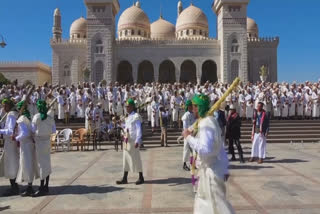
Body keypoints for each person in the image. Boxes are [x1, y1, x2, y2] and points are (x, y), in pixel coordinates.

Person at [182, 94, 235, 214]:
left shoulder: (206, 123)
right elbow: (220, 147)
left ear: (198, 108)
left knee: (216, 207)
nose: (193, 109)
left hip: (210, 173)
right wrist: (224, 168)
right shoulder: (211, 121)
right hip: (211, 170)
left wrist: (189, 137)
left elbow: (205, 149)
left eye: (194, 106)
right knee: (208, 205)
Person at [116, 98, 144, 185]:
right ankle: (124, 178)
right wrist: (120, 124)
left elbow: (139, 129)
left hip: (133, 141)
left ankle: (141, 177)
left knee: (136, 159)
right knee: (126, 159)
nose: (126, 108)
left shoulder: (136, 116)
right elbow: (126, 127)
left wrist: (137, 140)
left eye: (128, 107)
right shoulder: (127, 117)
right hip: (127, 140)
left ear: (132, 107)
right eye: (126, 107)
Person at [32, 100, 56, 197]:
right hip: (47, 141)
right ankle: (46, 186)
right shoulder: (50, 118)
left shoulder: (36, 117)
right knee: (47, 163)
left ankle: (42, 188)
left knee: (41, 164)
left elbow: (33, 130)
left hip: (39, 142)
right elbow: (54, 130)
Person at [15, 100, 38, 196]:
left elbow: (25, 133)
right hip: (29, 145)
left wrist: (16, 137)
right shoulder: (29, 117)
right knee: (28, 164)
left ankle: (29, 187)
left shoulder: (21, 119)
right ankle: (29, 186)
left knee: (26, 165)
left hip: (25, 145)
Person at [0, 98, 20, 196]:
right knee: (10, 163)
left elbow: (10, 131)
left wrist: (0, 130)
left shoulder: (11, 115)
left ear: (9, 105)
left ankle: (14, 187)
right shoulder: (11, 114)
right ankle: (14, 185)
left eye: (5, 106)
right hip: (10, 142)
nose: (3, 108)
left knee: (11, 163)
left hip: (11, 142)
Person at [181, 100, 195, 171]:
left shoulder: (193, 114)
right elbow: (185, 126)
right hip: (187, 134)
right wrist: (189, 131)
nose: (191, 107)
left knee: (193, 150)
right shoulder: (186, 115)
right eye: (190, 106)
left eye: (192, 106)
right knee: (186, 149)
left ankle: (192, 163)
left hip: (193, 134)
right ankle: (184, 164)